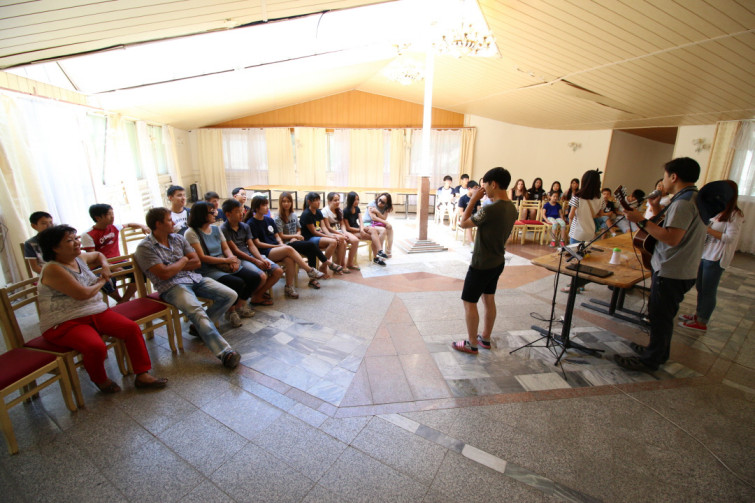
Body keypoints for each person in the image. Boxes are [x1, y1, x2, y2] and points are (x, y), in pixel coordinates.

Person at [37, 225, 167, 393]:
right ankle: (100, 380)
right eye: (70, 241)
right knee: (95, 346)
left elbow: (99, 255)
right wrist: (102, 281)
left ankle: (142, 374)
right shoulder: (53, 269)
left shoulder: (79, 258)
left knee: (131, 328)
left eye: (76, 238)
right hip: (65, 322)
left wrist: (105, 266)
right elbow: (83, 294)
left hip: (95, 311)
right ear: (55, 248)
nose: (77, 243)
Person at [618, 157, 707, 372]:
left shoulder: (683, 203)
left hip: (672, 269)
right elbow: (672, 227)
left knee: (659, 316)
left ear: (673, 177)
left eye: (665, 176)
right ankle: (658, 352)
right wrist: (655, 207)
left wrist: (640, 220)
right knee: (663, 315)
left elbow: (672, 238)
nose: (663, 181)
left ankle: (651, 360)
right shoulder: (691, 198)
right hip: (680, 268)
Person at [135, 207, 241, 369]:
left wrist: (175, 265)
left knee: (230, 295)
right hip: (172, 286)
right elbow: (164, 274)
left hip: (194, 278)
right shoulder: (145, 247)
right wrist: (184, 260)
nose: (174, 222)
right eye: (169, 220)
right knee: (197, 311)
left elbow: (197, 262)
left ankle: (199, 327)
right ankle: (225, 352)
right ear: (158, 224)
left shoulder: (177, 238)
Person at [452, 167, 518, 354]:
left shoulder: (491, 209)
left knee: (469, 301)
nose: (484, 189)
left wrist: (473, 199)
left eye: (485, 185)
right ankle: (485, 338)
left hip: (481, 263)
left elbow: (463, 223)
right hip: (497, 261)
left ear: (493, 184)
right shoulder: (512, 208)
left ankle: (472, 343)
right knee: (488, 298)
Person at [679, 180, 743, 332]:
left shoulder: (735, 214)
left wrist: (707, 229)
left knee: (708, 289)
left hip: (716, 257)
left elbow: (730, 238)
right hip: (705, 254)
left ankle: (702, 321)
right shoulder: (717, 209)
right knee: (701, 287)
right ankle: (698, 315)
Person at [185, 202, 258, 327]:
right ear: (202, 214)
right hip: (208, 269)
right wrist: (226, 261)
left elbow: (225, 248)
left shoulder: (215, 229)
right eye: (212, 212)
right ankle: (231, 311)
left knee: (254, 277)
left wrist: (231, 259)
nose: (215, 214)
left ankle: (239, 306)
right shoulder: (191, 233)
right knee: (237, 282)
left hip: (224, 263)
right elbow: (202, 258)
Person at [247, 195, 332, 287]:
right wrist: (279, 246)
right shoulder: (251, 223)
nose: (267, 207)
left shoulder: (269, 220)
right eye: (264, 205)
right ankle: (310, 270)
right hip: (265, 251)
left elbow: (277, 236)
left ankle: (289, 287)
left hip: (277, 248)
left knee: (290, 259)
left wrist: (280, 243)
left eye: (267, 204)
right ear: (256, 208)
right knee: (290, 248)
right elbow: (258, 244)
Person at [221, 198, 293, 300]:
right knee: (262, 276)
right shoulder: (223, 229)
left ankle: (257, 295)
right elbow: (235, 250)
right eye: (237, 212)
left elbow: (251, 246)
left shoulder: (245, 226)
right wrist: (256, 261)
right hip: (239, 259)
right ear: (228, 214)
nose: (241, 214)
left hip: (251, 255)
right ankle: (251, 298)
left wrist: (261, 259)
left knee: (278, 271)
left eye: (241, 211)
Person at [81, 203, 150, 304]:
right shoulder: (88, 235)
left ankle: (124, 301)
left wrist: (142, 226)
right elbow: (93, 257)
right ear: (97, 218)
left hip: (119, 262)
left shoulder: (114, 227)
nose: (112, 216)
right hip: (99, 265)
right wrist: (111, 267)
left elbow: (129, 224)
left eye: (112, 213)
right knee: (104, 280)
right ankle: (119, 300)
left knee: (142, 270)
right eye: (108, 214)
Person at [273, 192, 330, 288]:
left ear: (291, 203)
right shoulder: (278, 218)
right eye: (284, 201)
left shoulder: (293, 215)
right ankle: (326, 262)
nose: (286, 204)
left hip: (295, 241)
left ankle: (312, 280)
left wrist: (296, 236)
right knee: (311, 245)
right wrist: (294, 236)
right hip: (286, 244)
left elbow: (299, 230)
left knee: (311, 250)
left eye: (288, 201)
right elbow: (280, 235)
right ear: (280, 203)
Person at [563, 169, 604, 293]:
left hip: (577, 231)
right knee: (585, 258)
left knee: (575, 259)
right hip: (590, 231)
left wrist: (570, 228)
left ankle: (573, 286)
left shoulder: (577, 197)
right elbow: (599, 214)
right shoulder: (600, 197)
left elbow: (571, 215)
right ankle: (581, 285)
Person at [299, 192, 343, 275]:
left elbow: (323, 227)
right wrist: (329, 237)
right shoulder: (307, 214)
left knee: (339, 239)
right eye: (315, 200)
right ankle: (323, 267)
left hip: (318, 236)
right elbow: (314, 232)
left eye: (319, 200)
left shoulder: (318, 212)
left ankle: (337, 265)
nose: (318, 202)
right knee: (333, 242)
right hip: (309, 239)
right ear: (309, 202)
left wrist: (331, 235)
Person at [342, 191, 386, 266]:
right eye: (355, 200)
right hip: (351, 232)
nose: (357, 201)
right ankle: (376, 258)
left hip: (358, 228)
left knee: (373, 230)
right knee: (374, 238)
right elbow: (348, 228)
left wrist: (362, 229)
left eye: (358, 199)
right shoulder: (345, 211)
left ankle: (380, 251)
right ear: (350, 200)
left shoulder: (357, 208)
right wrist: (360, 230)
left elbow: (361, 221)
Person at [322, 192, 357, 272]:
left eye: (338, 200)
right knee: (343, 242)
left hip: (340, 231)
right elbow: (328, 228)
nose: (337, 202)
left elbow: (342, 224)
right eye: (335, 200)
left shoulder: (339, 210)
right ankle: (341, 265)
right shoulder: (325, 211)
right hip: (330, 233)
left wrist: (344, 233)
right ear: (329, 201)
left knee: (355, 240)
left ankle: (349, 263)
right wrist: (341, 234)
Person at [363, 192, 393, 258]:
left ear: (386, 204)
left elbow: (384, 217)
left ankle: (388, 250)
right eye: (380, 200)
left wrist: (377, 212)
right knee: (383, 230)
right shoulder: (372, 203)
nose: (380, 203)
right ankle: (380, 251)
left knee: (390, 227)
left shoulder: (386, 207)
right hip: (369, 223)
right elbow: (373, 218)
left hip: (378, 223)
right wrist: (385, 222)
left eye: (383, 202)